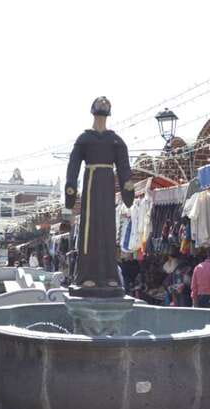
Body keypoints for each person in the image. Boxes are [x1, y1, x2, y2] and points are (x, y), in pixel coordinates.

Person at [64, 96, 134, 297]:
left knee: (107, 228)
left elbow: (124, 167)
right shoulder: (84, 139)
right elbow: (73, 166)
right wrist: (70, 186)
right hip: (91, 184)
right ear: (94, 112)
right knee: (90, 228)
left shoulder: (116, 141)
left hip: (106, 185)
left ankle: (109, 276)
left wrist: (127, 183)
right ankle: (87, 275)